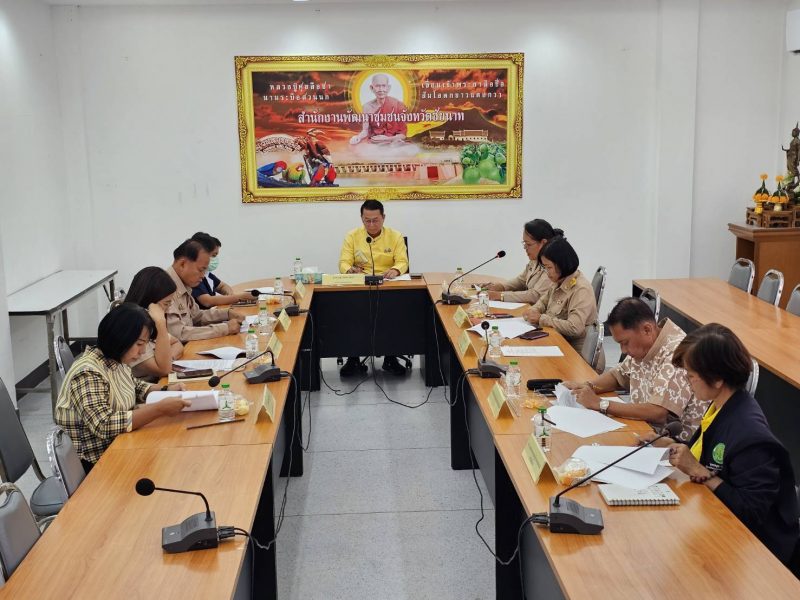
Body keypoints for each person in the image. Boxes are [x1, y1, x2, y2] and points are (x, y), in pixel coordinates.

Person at [666, 324, 799, 569]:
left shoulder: (750, 436)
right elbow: (703, 453)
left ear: (717, 379)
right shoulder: (720, 406)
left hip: (758, 555)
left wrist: (698, 471)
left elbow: (751, 512)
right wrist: (672, 445)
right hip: (714, 521)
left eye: (691, 376)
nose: (687, 382)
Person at [55, 304, 190, 473]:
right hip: (95, 464)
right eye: (139, 344)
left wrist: (165, 390)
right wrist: (159, 409)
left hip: (120, 445)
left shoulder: (116, 360)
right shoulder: (87, 373)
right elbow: (104, 424)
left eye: (145, 344)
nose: (142, 352)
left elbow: (135, 386)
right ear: (120, 338)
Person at [564, 297, 706, 441]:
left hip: (676, 445)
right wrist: (587, 386)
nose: (623, 350)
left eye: (625, 343)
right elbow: (618, 375)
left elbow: (659, 412)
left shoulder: (676, 352)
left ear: (647, 329)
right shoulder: (644, 346)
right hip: (644, 431)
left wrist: (600, 403)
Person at [338, 199, 409, 377]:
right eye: (367, 220)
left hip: (387, 286)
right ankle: (353, 358)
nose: (371, 224)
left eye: (375, 220)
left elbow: (403, 261)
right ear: (361, 218)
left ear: (383, 217)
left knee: (393, 314)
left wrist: (395, 270)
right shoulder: (352, 236)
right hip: (361, 286)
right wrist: (349, 270)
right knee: (351, 315)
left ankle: (390, 358)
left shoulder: (395, 236)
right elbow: (343, 262)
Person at [522, 235, 602, 366]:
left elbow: (575, 328)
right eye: (544, 268)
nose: (547, 273)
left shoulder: (580, 289)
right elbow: (543, 302)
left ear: (561, 265)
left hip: (577, 355)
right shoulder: (558, 281)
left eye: (549, 267)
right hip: (559, 343)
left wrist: (541, 319)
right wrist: (534, 310)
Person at [165, 239, 245, 342]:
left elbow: (197, 317)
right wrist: (225, 328)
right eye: (201, 270)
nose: (203, 276)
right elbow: (179, 333)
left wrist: (227, 314)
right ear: (182, 264)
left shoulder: (184, 284)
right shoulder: (164, 288)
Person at [124, 266, 184, 380]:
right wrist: (161, 323)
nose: (168, 309)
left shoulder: (150, 324)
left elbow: (177, 343)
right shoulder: (132, 328)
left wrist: (168, 358)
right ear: (149, 302)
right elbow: (164, 370)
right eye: (166, 304)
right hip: (142, 390)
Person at [483, 219, 559, 304]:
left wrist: (500, 295)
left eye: (528, 244)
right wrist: (501, 287)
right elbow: (521, 281)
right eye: (524, 243)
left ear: (543, 243)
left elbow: (535, 295)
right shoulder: (535, 260)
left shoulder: (553, 264)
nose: (525, 247)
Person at [190, 232, 256, 308]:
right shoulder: (193, 276)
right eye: (213, 255)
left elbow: (222, 286)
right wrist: (239, 297)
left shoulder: (207, 274)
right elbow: (207, 301)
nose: (214, 259)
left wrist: (230, 296)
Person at [349, 73, 410, 146]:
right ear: (372, 88)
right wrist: (358, 137)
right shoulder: (367, 107)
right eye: (377, 86)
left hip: (393, 142)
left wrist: (387, 139)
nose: (381, 90)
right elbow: (365, 131)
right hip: (374, 143)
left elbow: (403, 135)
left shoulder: (397, 105)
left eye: (383, 86)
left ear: (388, 88)